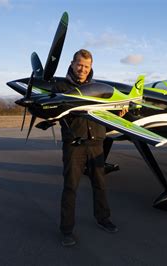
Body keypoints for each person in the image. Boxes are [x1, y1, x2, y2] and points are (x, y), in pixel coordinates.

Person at [53, 49, 118, 247]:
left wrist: (120, 111)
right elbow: (51, 110)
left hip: (97, 143)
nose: (82, 69)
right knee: (70, 188)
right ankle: (66, 230)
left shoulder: (99, 88)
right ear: (72, 64)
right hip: (75, 145)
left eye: (86, 66)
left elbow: (110, 113)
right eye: (79, 65)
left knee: (100, 185)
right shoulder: (60, 87)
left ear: (91, 67)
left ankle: (103, 219)